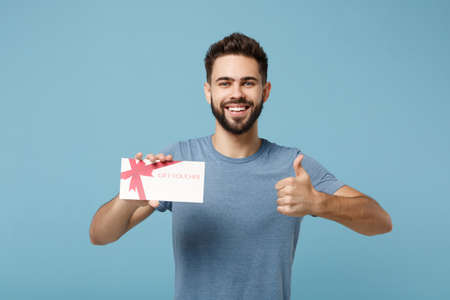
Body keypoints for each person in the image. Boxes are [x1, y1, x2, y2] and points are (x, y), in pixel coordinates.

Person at [89, 32, 392, 300]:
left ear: (265, 91)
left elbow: (381, 222)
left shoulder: (294, 165)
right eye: (225, 83)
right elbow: (100, 235)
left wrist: (319, 202)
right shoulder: (178, 160)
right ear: (209, 91)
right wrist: (128, 197)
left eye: (248, 83)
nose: (236, 93)